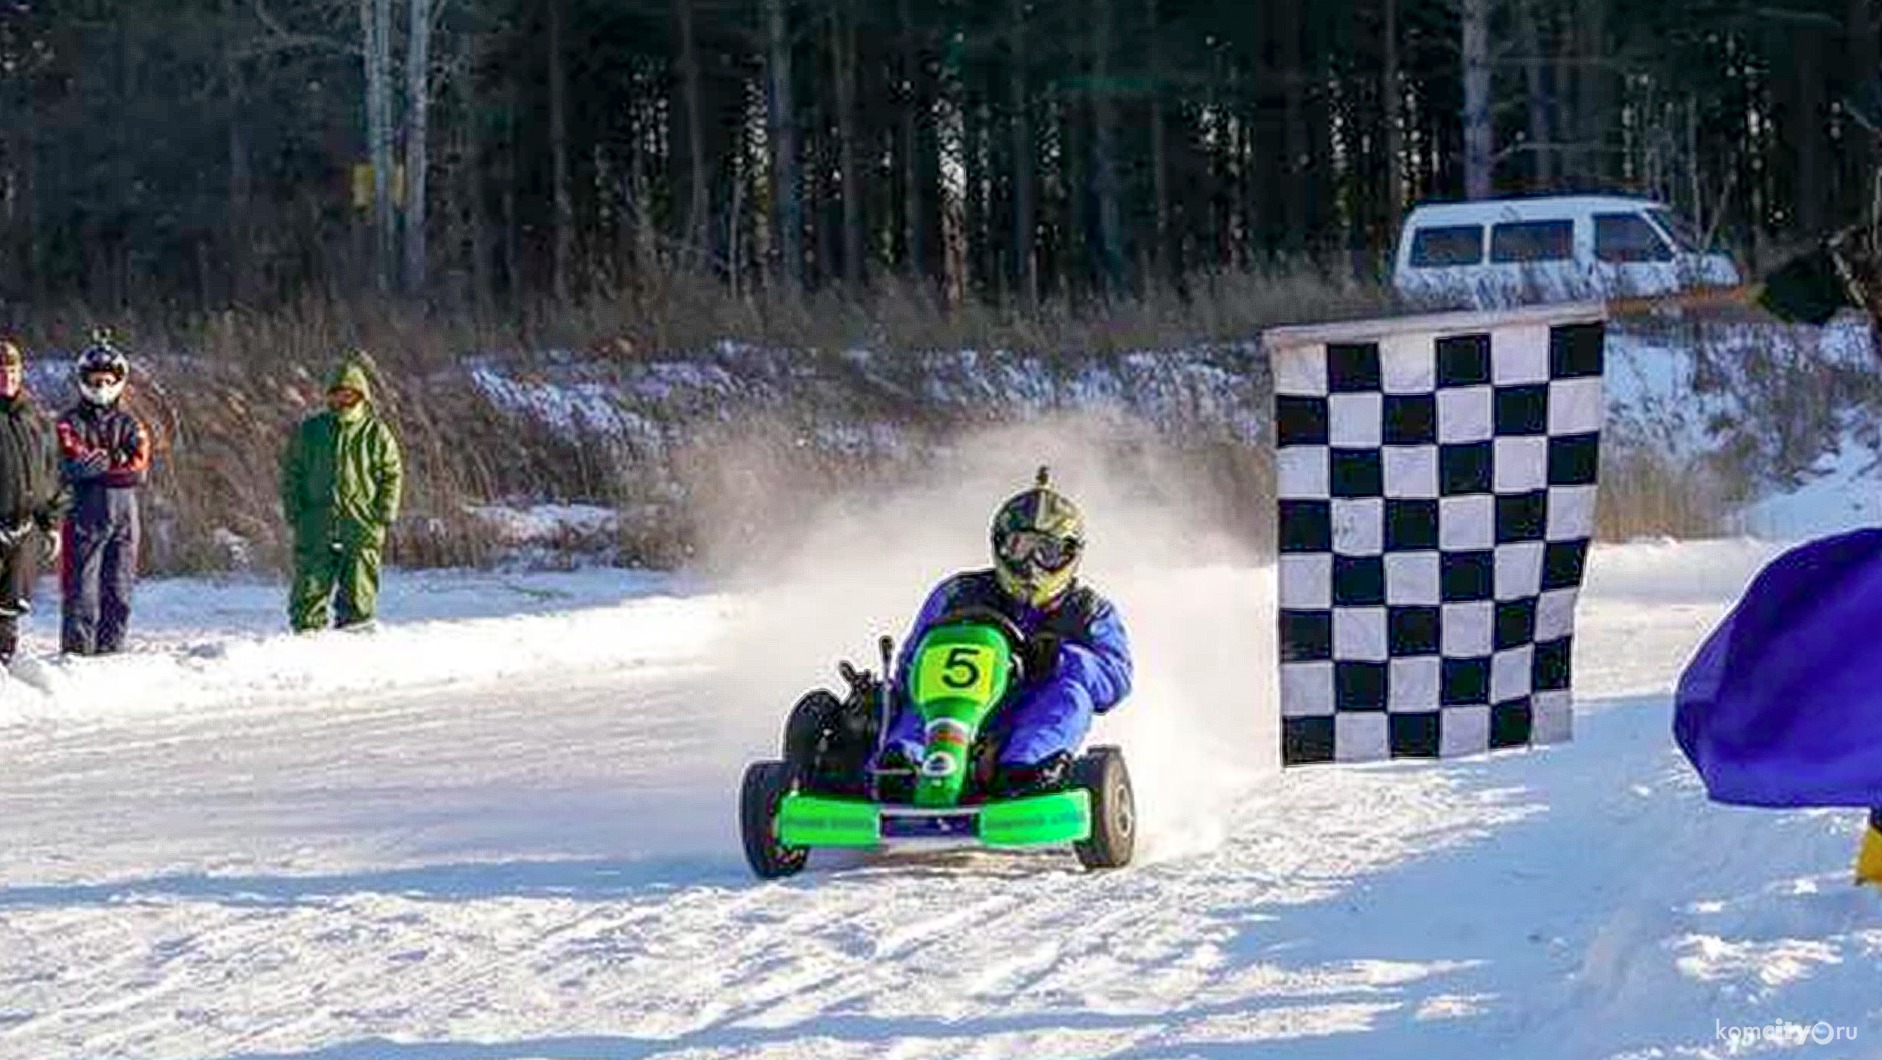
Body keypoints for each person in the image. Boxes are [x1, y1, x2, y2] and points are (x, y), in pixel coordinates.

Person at [872, 468, 1132, 799]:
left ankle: (1025, 772)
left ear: (1069, 555)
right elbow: (912, 663)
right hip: (953, 705)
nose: (1032, 564)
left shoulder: (1090, 610)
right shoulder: (957, 593)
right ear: (1001, 546)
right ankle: (904, 766)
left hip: (1029, 711)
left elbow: (1116, 678)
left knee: (1071, 695)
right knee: (918, 696)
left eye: (1047, 552)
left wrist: (1061, 658)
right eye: (1021, 547)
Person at [280, 355, 403, 632]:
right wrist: (295, 512)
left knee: (359, 594)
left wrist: (383, 513)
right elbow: (292, 474)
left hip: (361, 525)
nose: (344, 399)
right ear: (329, 395)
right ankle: (307, 642)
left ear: (362, 395)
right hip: (316, 523)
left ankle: (355, 644)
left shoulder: (376, 433)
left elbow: (392, 473)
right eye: (338, 393)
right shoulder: (311, 431)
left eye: (350, 394)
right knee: (309, 587)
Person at [55, 335, 151, 655]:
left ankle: (112, 653)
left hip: (125, 516)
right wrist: (112, 460)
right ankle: (76, 657)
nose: (101, 386)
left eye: (107, 380)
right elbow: (74, 462)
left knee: (119, 589)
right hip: (85, 514)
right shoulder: (69, 422)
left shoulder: (131, 424)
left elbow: (137, 469)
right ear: (83, 381)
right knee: (81, 591)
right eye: (95, 380)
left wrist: (101, 462)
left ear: (119, 381)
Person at [0, 339, 69, 668]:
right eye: (0, 371)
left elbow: (51, 474)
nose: (6, 377)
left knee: (10, 608)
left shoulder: (36, 419)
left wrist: (52, 524)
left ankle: (5, 667)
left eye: (12, 370)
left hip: (26, 528)